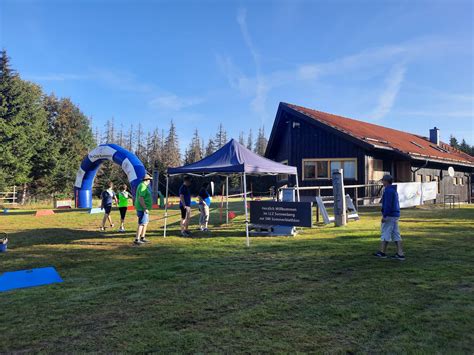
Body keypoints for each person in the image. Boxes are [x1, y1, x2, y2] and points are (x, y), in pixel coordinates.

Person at [374, 174, 405, 260]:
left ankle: (382, 252)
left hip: (390, 215)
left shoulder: (388, 191)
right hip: (395, 214)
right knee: (396, 234)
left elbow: (387, 205)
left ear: (386, 181)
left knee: (385, 233)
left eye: (383, 180)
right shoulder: (393, 190)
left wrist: (385, 215)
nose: (382, 182)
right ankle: (400, 253)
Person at [134, 174, 153, 245]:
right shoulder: (142, 186)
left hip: (144, 208)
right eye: (150, 180)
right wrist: (145, 208)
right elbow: (141, 198)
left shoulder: (143, 186)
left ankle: (142, 237)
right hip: (142, 208)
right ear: (147, 180)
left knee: (145, 223)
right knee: (141, 223)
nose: (150, 181)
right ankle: (137, 239)